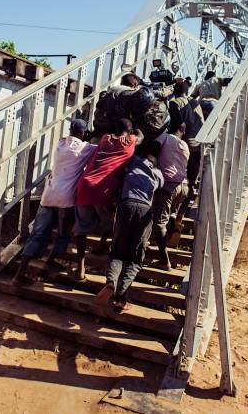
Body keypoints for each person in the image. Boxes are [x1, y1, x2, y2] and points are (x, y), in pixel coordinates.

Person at [12, 120, 96, 285]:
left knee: (37, 234)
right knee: (63, 234)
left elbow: (72, 139)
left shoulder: (60, 144)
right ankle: (50, 261)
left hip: (48, 195)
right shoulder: (85, 149)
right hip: (66, 199)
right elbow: (99, 147)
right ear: (84, 133)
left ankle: (19, 274)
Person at [94, 141, 164, 311]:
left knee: (117, 251)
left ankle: (111, 282)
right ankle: (121, 297)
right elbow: (160, 189)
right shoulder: (158, 173)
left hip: (125, 205)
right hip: (145, 210)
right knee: (135, 256)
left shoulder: (132, 162)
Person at [74, 118, 143, 281]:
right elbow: (141, 136)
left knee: (81, 229)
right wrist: (137, 124)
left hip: (84, 186)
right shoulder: (130, 141)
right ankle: (107, 258)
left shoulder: (105, 138)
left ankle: (80, 269)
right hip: (102, 190)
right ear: (130, 130)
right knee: (112, 223)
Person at [153, 122, 190, 271]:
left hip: (168, 185)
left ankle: (164, 260)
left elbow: (152, 150)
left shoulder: (165, 137)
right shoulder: (185, 146)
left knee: (159, 223)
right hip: (183, 187)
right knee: (171, 213)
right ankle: (173, 222)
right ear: (183, 131)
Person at [168, 79, 204, 200]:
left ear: (174, 91)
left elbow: (177, 125)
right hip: (198, 145)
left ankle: (174, 206)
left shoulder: (174, 103)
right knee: (191, 179)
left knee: (176, 175)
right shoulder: (195, 102)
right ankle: (183, 207)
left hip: (184, 145)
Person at [92, 73, 140, 138]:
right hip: (114, 131)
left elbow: (98, 107)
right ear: (135, 84)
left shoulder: (111, 90)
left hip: (99, 126)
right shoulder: (131, 93)